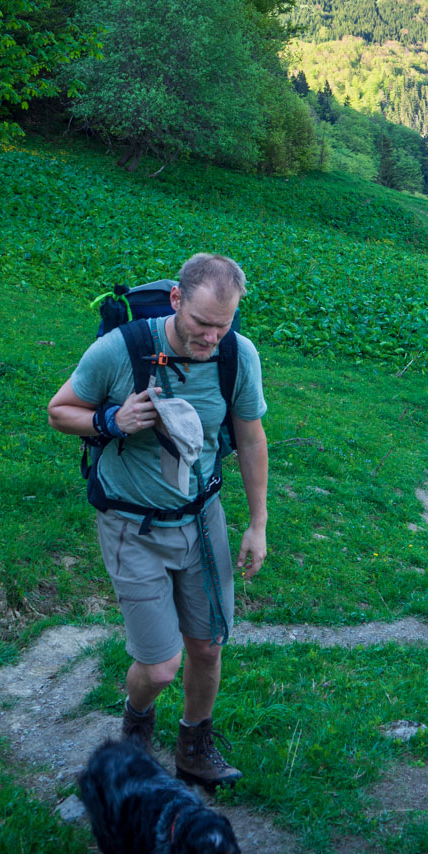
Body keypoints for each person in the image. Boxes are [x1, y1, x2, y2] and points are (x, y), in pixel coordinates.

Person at [48, 253, 268, 787]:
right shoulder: (121, 349)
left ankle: (194, 746)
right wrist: (110, 420)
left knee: (208, 646)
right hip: (131, 524)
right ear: (176, 301)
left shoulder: (236, 356)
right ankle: (135, 730)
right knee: (161, 665)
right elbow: (59, 411)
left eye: (224, 325)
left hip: (200, 519)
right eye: (201, 324)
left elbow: (250, 437)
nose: (212, 336)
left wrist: (257, 523)